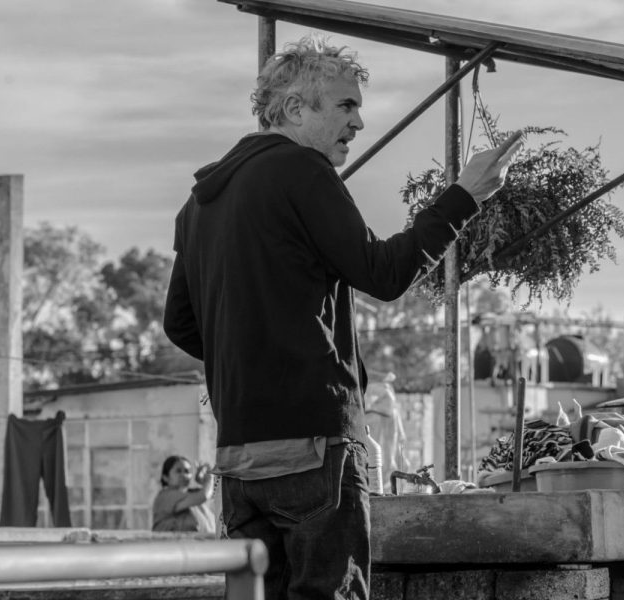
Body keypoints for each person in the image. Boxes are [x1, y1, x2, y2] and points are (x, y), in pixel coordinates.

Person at [163, 35, 522, 600]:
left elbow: (179, 324)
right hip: (314, 449)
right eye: (346, 105)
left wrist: (253, 360)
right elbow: (382, 273)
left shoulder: (200, 201)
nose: (358, 122)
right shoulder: (303, 171)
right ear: (295, 108)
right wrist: (463, 197)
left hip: (238, 459)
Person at [152, 455, 216, 533]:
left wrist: (202, 482)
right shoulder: (165, 496)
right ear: (165, 477)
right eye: (178, 471)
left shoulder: (192, 494)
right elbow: (204, 496)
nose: (183, 475)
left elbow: (214, 494)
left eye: (187, 471)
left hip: (200, 544)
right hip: (171, 544)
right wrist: (209, 478)